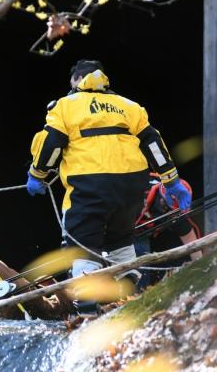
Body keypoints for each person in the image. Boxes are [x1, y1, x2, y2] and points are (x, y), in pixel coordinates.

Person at [26, 60, 191, 312]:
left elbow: (52, 143)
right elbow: (152, 141)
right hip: (132, 186)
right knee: (121, 241)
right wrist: (171, 180)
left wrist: (37, 174)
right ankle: (127, 300)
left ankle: (87, 312)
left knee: (82, 244)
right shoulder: (129, 106)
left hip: (89, 186)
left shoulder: (65, 106)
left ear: (76, 80)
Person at [134, 173, 201, 289]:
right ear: (162, 196)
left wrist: (202, 267)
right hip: (129, 231)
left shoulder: (176, 212)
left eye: (173, 210)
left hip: (154, 232)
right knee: (141, 256)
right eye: (166, 207)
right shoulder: (139, 188)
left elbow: (191, 241)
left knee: (173, 254)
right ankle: (136, 294)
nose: (168, 211)